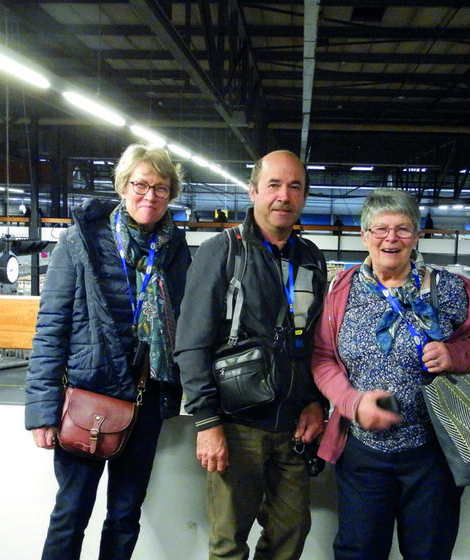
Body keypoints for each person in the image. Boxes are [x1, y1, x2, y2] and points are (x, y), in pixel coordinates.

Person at [312, 189, 470, 560]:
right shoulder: (341, 290)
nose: (391, 239)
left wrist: (455, 353)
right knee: (358, 552)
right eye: (380, 229)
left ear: (417, 236)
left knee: (428, 552)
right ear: (364, 235)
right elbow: (322, 358)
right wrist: (351, 402)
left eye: (403, 229)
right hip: (364, 453)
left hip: (435, 453)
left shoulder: (451, 288)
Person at [24, 144, 191, 560]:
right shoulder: (81, 240)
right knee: (71, 512)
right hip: (87, 395)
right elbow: (50, 327)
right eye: (140, 184)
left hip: (146, 398)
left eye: (161, 188)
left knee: (124, 515)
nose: (149, 196)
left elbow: (190, 321)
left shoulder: (175, 249)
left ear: (171, 194)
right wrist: (42, 411)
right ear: (122, 186)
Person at [174, 149, 328, 560]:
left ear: (304, 197)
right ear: (254, 190)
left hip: (294, 427)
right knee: (228, 544)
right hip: (238, 425)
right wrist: (207, 422)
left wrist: (317, 402)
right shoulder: (222, 251)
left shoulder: (312, 259)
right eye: (274, 185)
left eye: (294, 186)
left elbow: (317, 340)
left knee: (290, 535)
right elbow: (190, 342)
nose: (284, 195)